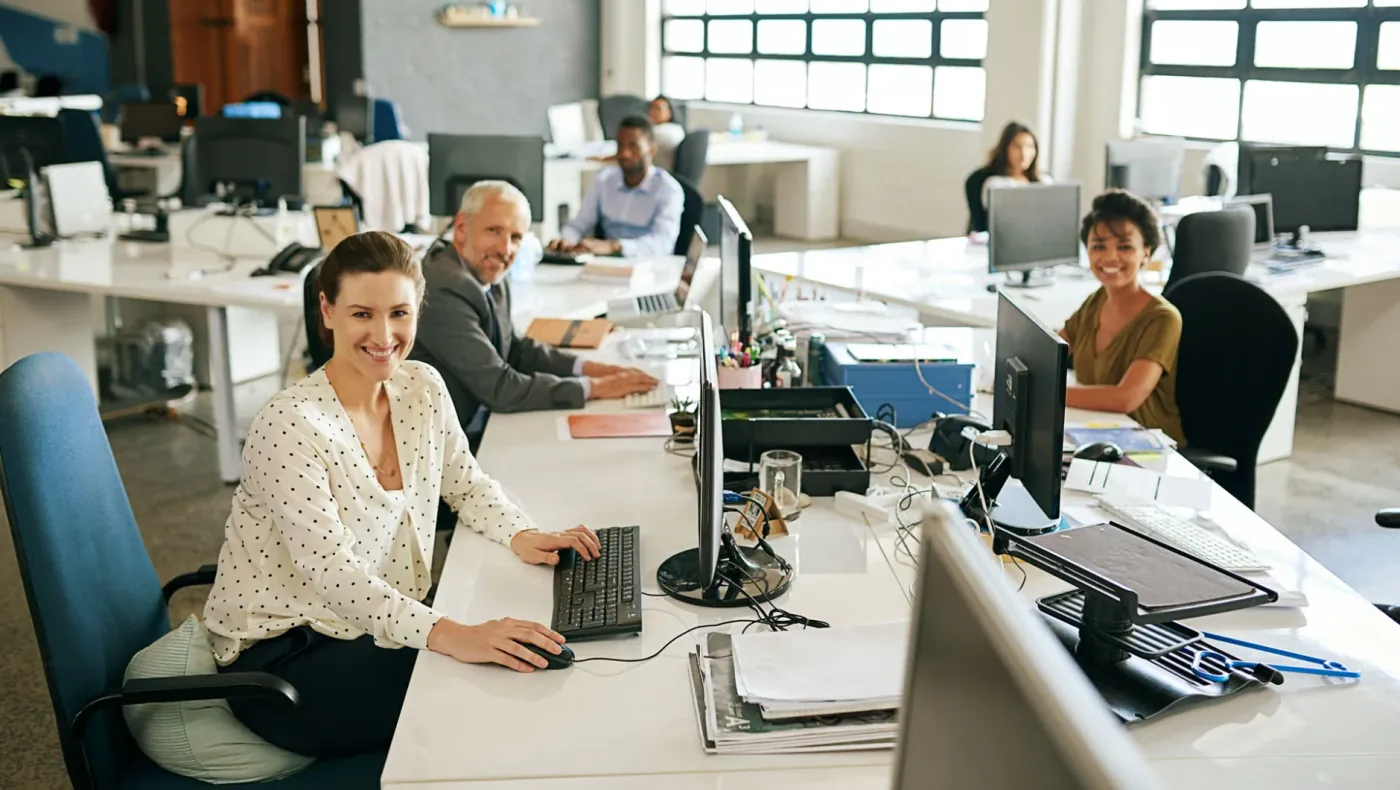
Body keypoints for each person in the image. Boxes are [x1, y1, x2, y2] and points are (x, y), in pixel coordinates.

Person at [204, 231, 605, 756]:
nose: (384, 334)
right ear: (326, 312)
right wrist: (452, 634)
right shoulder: (289, 424)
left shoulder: (421, 387)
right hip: (288, 657)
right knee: (491, 692)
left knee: (522, 647)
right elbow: (332, 572)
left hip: (373, 625)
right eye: (361, 314)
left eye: (399, 313)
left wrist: (521, 531)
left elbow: (465, 481)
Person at [413, 181, 657, 439]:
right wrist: (596, 388)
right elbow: (500, 388)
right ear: (461, 228)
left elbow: (514, 349)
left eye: (515, 237)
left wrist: (589, 368)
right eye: (494, 230)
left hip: (473, 422)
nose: (505, 248)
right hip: (440, 443)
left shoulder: (483, 271)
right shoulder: (442, 287)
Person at [1060, 190, 1185, 445]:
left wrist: (1052, 394)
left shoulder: (1163, 319)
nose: (1110, 257)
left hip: (1147, 446)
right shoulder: (1097, 301)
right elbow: (1051, 349)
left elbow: (1126, 397)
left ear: (1146, 253)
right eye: (1098, 246)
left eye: (1125, 246)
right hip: (1095, 433)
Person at [549, 115, 684, 258]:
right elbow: (579, 224)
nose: (625, 154)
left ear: (651, 149)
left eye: (634, 146)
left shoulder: (668, 189)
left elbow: (662, 244)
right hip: (607, 266)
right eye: (620, 145)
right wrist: (567, 240)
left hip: (648, 267)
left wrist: (615, 246)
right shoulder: (604, 180)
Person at [964, 121, 1050, 234]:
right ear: (1005, 149)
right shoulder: (995, 184)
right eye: (1017, 147)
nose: (1024, 153)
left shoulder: (1044, 181)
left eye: (1029, 146)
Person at [647, 95, 686, 172]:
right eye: (651, 108)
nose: (652, 112)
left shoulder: (659, 133)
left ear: (669, 112)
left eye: (658, 109)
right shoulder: (677, 129)